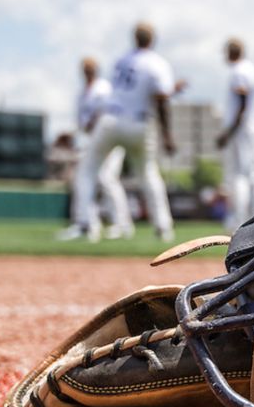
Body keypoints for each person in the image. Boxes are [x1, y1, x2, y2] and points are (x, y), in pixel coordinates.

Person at [85, 22, 180, 242]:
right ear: (152, 40)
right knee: (148, 174)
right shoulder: (157, 63)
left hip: (111, 120)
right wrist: (167, 134)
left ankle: (86, 223)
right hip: (139, 123)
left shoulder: (122, 60)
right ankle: (163, 226)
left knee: (89, 171)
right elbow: (161, 99)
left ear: (134, 38)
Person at [57, 57, 119, 242]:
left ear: (96, 70)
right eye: (85, 69)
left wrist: (94, 123)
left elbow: (108, 112)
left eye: (90, 69)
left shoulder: (103, 88)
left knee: (106, 179)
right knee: (84, 180)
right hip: (89, 141)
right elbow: (81, 122)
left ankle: (118, 223)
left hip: (106, 138)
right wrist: (71, 135)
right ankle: (87, 223)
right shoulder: (81, 93)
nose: (87, 72)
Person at [216, 37, 254, 232]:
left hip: (242, 128)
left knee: (240, 175)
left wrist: (228, 133)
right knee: (252, 175)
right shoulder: (251, 69)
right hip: (250, 126)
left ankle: (238, 219)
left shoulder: (239, 71)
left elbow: (242, 102)